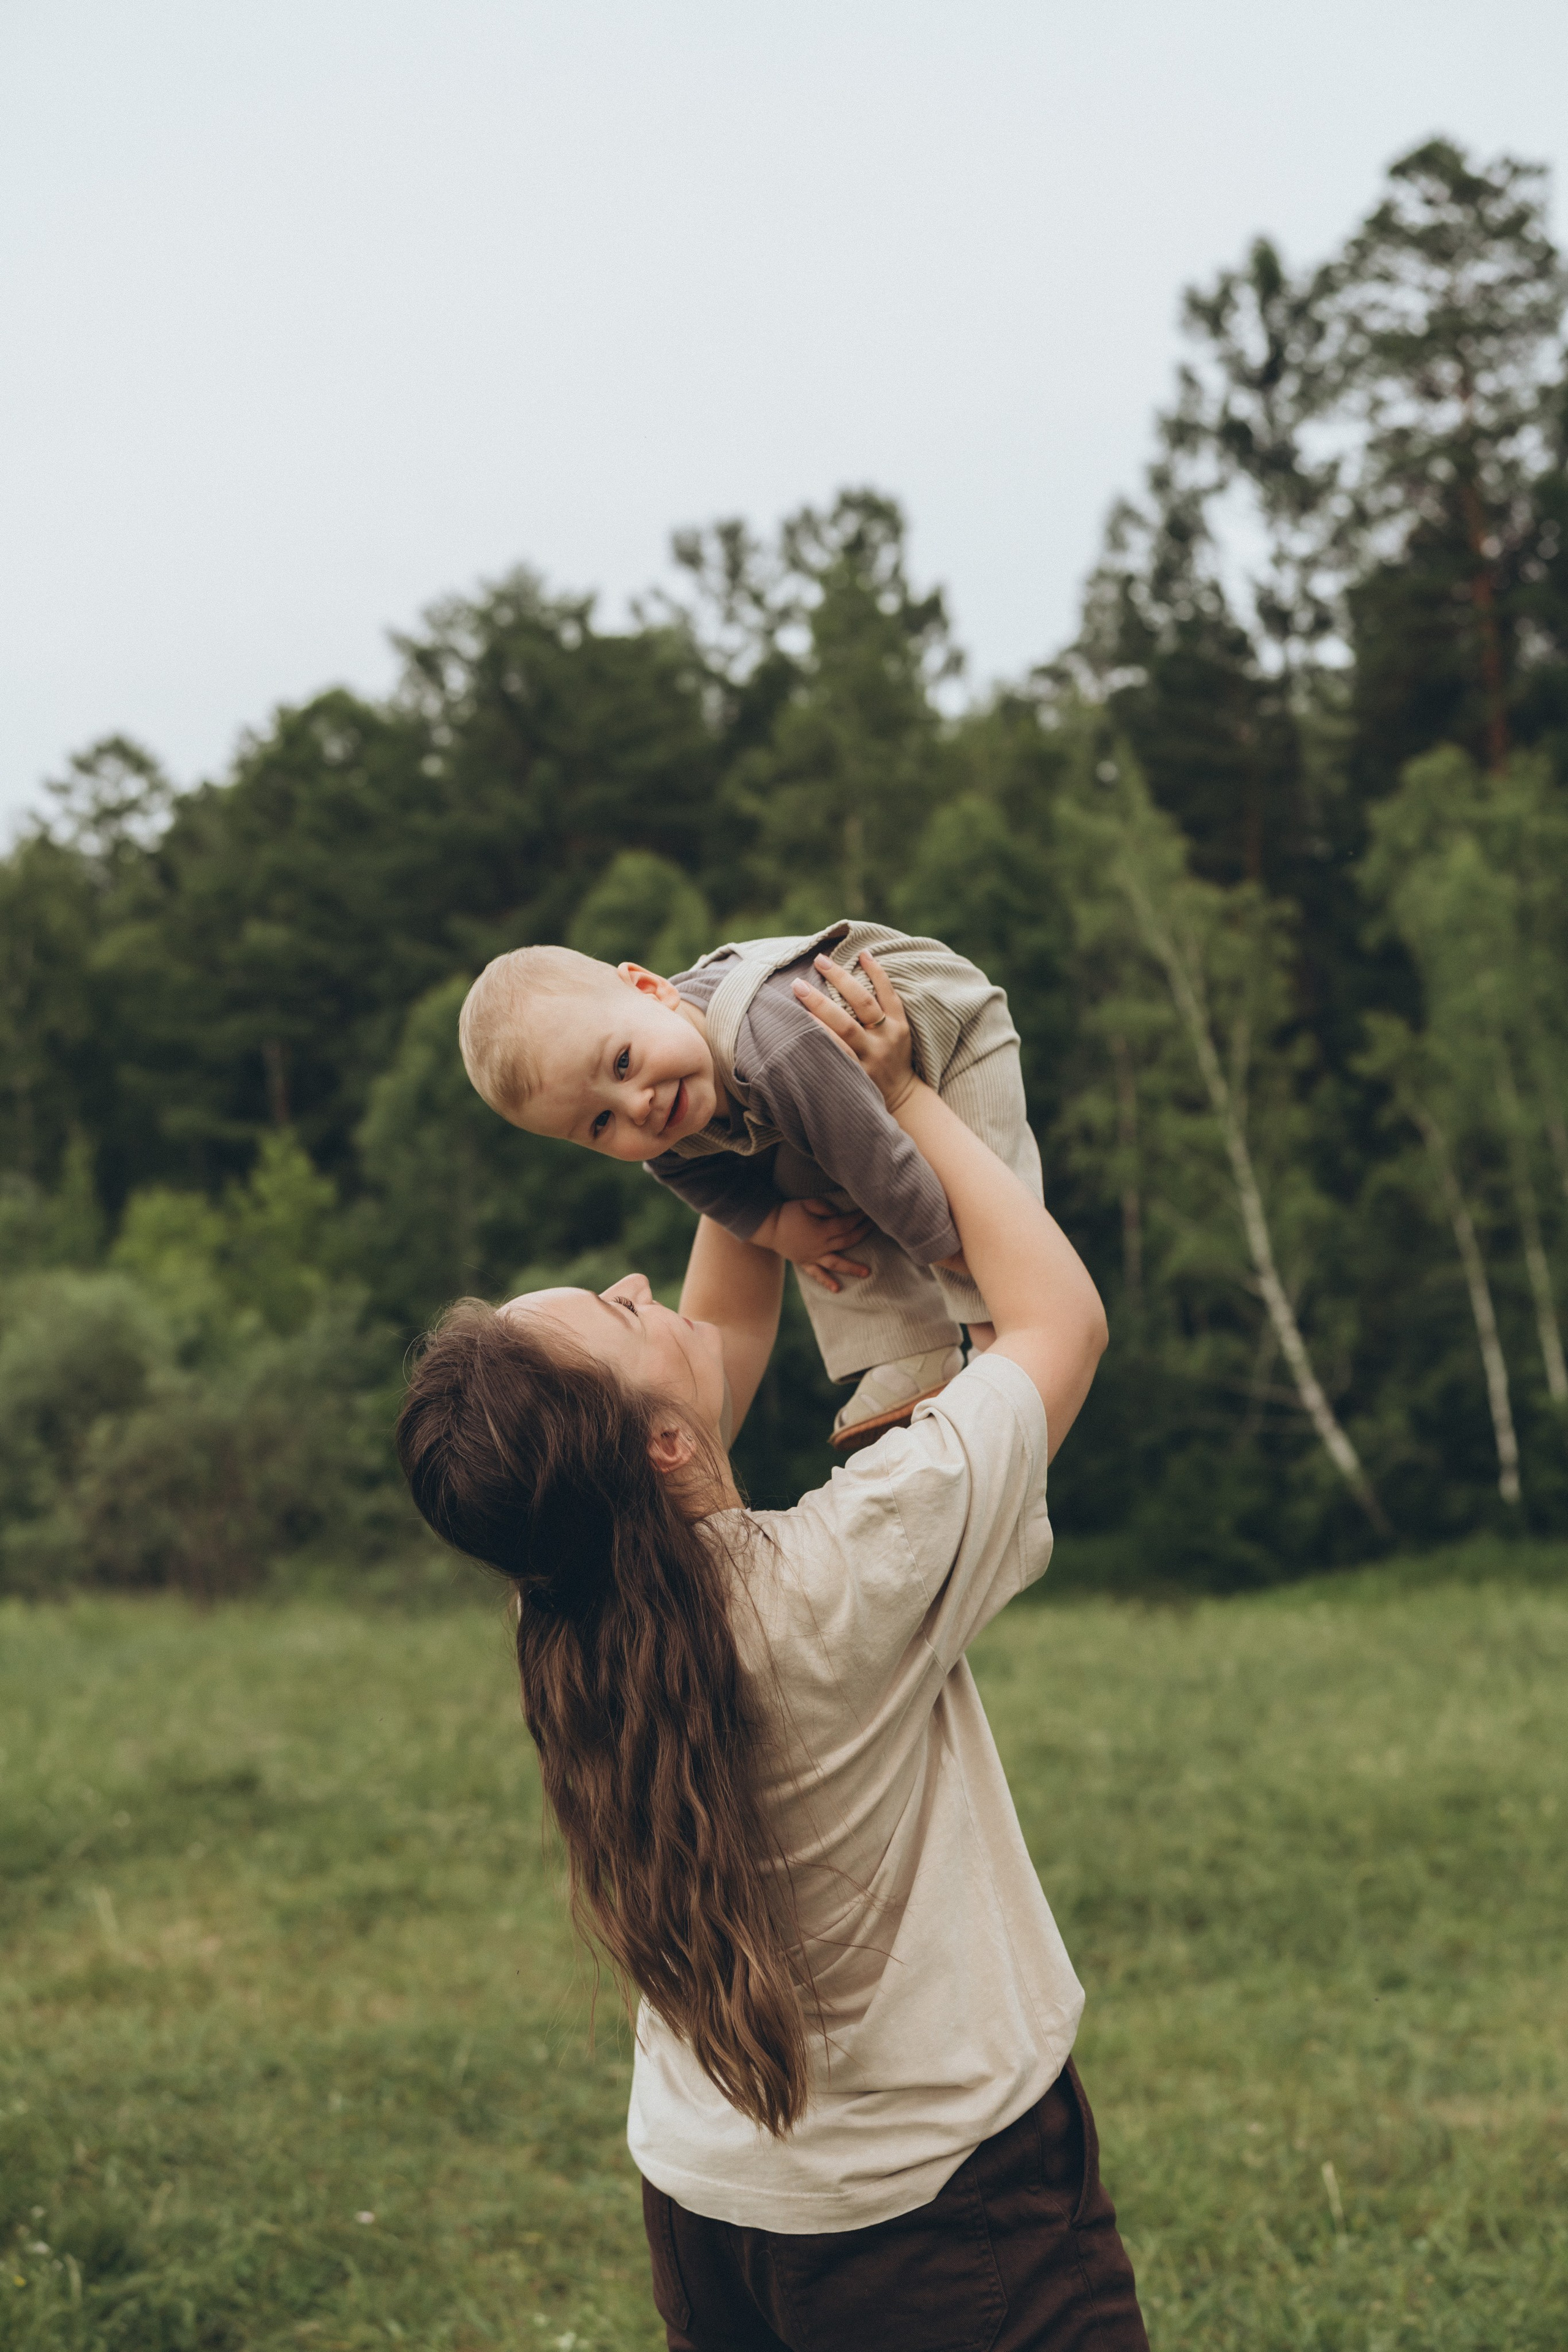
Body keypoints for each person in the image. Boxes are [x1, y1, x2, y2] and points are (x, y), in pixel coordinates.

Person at [399, 951, 1148, 2351]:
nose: (637, 1278)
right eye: (617, 1311)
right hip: (936, 2213)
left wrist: (732, 1094)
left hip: (706, 2204)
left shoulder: (569, 1600)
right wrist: (896, 1092)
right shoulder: (842, 1577)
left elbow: (719, 1334)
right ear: (666, 1447)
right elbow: (1058, 1318)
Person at [456, 919, 1041, 1449]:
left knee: (984, 1203)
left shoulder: (775, 1050)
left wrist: (956, 1257)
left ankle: (1001, 1341)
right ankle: (908, 1354)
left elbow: (883, 1168)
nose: (638, 1107)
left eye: (623, 1064)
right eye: (600, 1123)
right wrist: (778, 1229)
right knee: (807, 1203)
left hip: (947, 1030)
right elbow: (699, 1178)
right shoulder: (675, 1127)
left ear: (651, 989)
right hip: (838, 1103)